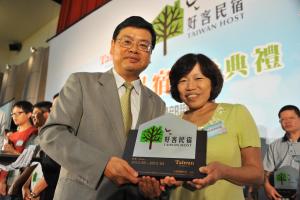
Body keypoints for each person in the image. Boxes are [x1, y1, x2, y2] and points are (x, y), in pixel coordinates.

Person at [38, 16, 166, 200]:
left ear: (150, 54)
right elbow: (51, 134)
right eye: (127, 41)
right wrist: (103, 164)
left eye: (144, 45)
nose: (134, 49)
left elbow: (155, 156)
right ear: (112, 46)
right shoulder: (81, 83)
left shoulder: (158, 103)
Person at [140, 53, 264, 200]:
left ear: (212, 81)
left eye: (198, 78)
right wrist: (162, 183)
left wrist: (223, 171)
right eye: (183, 80)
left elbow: (257, 175)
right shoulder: (170, 125)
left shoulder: (236, 113)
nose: (190, 87)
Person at [22, 100, 61, 200]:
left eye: (36, 113)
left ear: (47, 114)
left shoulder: (56, 136)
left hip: (48, 191)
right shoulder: (39, 138)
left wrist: (35, 192)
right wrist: (25, 185)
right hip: (34, 188)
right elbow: (37, 163)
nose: (33, 116)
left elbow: (54, 167)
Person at [263, 105, 300, 200]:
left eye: (291, 118)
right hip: (280, 195)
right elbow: (266, 172)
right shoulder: (274, 145)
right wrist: (267, 186)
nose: (287, 122)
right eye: (283, 119)